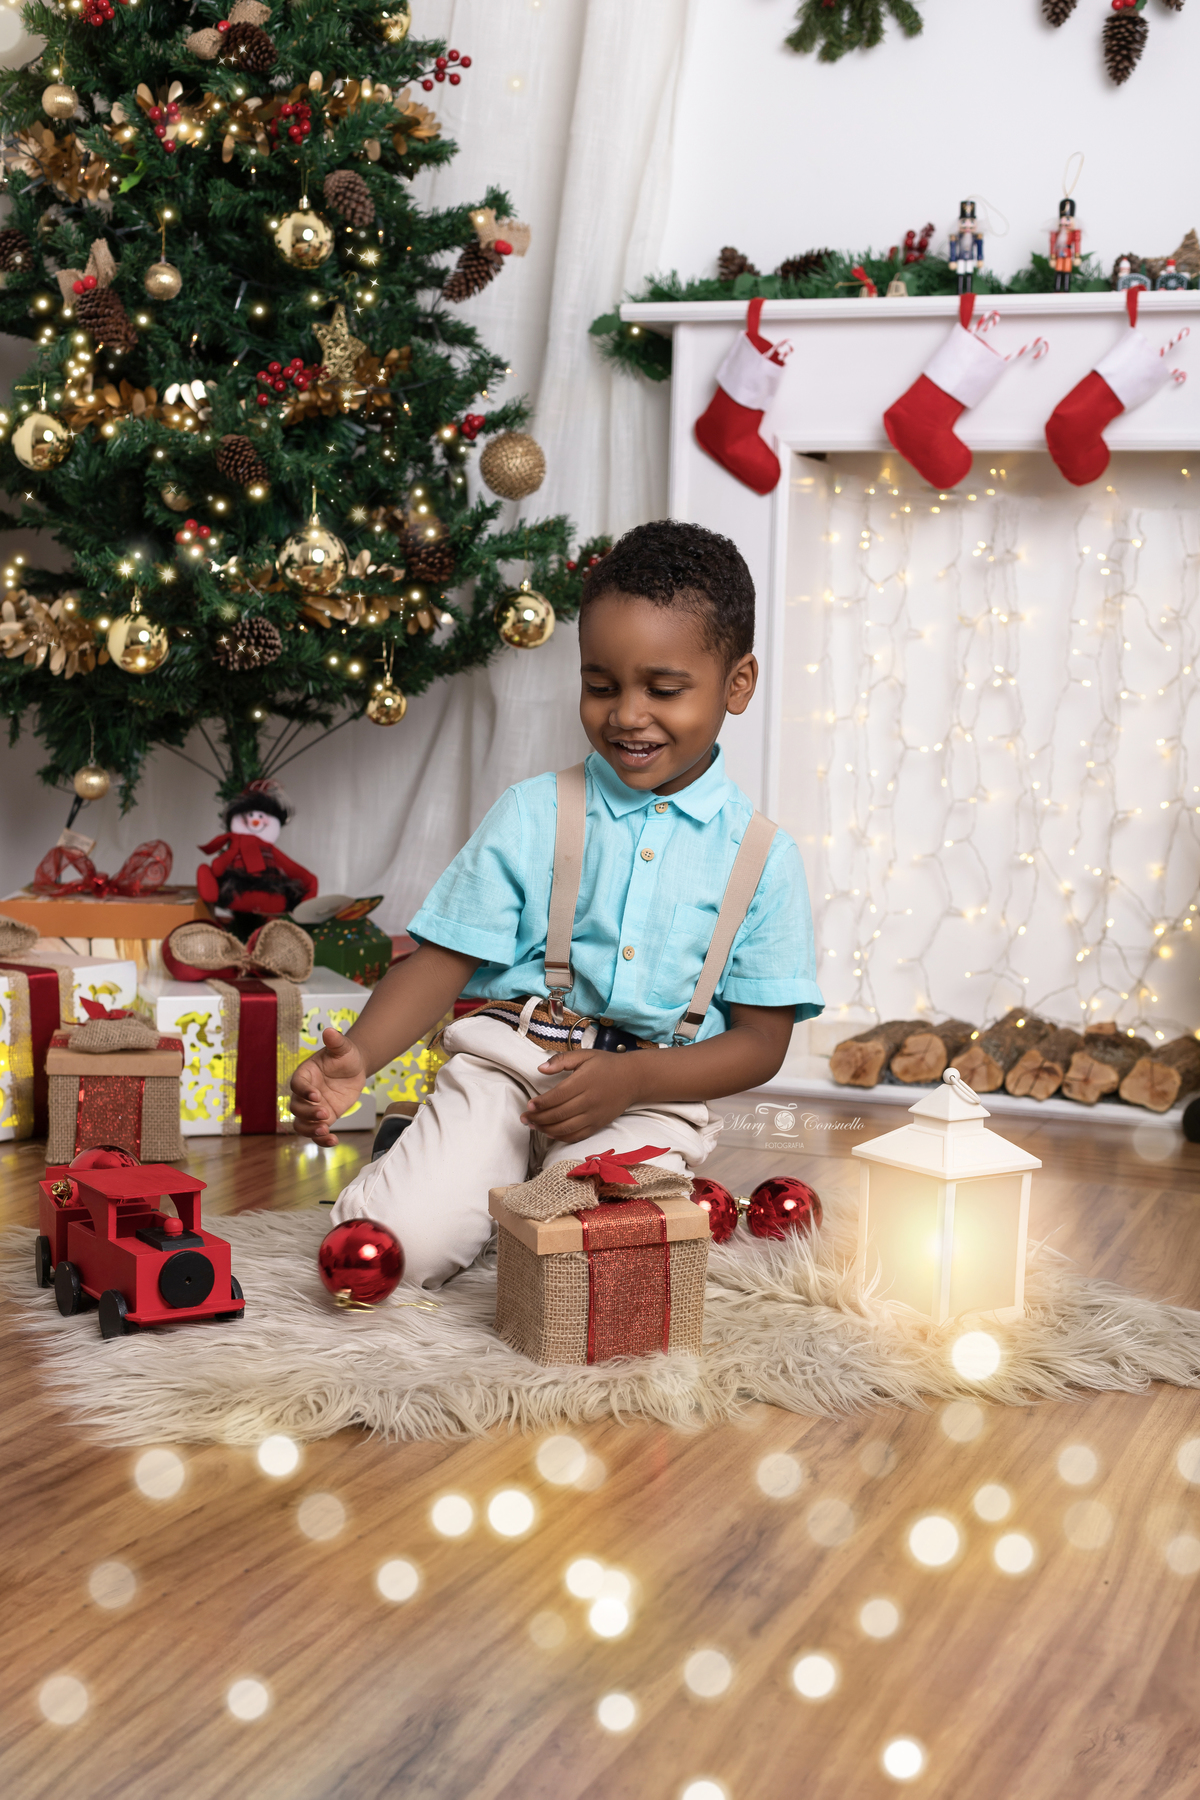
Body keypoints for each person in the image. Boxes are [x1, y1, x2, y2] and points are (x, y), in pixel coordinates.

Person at [289, 520, 824, 1287]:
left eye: (663, 690)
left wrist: (636, 1081)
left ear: (737, 685)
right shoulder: (534, 812)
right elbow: (442, 962)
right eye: (600, 685)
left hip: (647, 1097)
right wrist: (361, 1059)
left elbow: (762, 1043)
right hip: (511, 1064)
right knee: (404, 1251)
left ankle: (493, 1178)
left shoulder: (765, 860)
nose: (627, 714)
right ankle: (436, 1157)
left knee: (600, 1276)